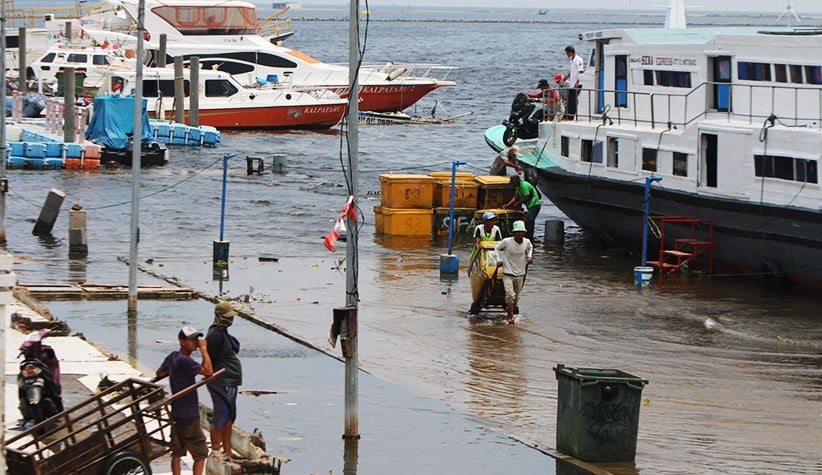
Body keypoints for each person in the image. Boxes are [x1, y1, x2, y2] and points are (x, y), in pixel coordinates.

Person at [156, 325, 213, 475]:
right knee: (201, 453)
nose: (195, 342)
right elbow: (208, 371)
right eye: (191, 340)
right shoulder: (185, 361)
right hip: (189, 414)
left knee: (177, 450)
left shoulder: (173, 357)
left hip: (176, 413)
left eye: (196, 339)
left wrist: (174, 374)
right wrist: (204, 350)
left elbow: (160, 372)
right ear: (182, 341)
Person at [206, 301, 242, 459]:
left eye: (231, 317)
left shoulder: (223, 333)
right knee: (221, 416)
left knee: (230, 417)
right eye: (227, 317)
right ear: (218, 317)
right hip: (221, 383)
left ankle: (227, 452)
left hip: (230, 382)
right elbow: (208, 359)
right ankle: (216, 452)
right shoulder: (214, 335)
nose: (230, 320)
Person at [494, 220, 533, 323]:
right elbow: (497, 248)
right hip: (508, 272)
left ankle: (509, 312)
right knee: (510, 294)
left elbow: (530, 248)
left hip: (520, 273)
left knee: (516, 297)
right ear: (514, 233)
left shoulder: (527, 242)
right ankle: (510, 316)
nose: (520, 235)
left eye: (522, 232)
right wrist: (499, 259)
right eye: (518, 232)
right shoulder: (507, 242)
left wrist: (529, 256)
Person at [504, 175, 541, 241]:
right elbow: (515, 197)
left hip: (534, 205)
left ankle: (529, 237)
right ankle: (528, 236)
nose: (512, 184)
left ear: (517, 180)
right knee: (528, 220)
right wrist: (508, 205)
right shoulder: (518, 187)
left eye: (513, 183)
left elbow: (527, 197)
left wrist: (518, 203)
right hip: (530, 206)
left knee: (529, 221)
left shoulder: (524, 185)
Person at [562, 46, 585, 120]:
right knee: (570, 101)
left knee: (574, 101)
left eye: (567, 53)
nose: (567, 55)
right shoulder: (572, 60)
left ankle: (572, 116)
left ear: (570, 52)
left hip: (577, 84)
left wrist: (577, 83)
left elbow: (580, 72)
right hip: (572, 84)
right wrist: (567, 77)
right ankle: (568, 115)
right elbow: (572, 70)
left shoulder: (578, 60)